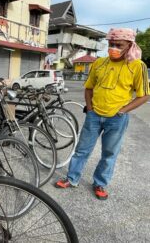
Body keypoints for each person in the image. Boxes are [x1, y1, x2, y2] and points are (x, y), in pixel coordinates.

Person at [55, 28, 149, 200]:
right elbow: (89, 88)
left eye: (118, 45)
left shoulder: (137, 66)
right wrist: (90, 109)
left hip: (117, 119)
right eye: (111, 44)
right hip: (94, 115)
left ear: (129, 45)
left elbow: (144, 95)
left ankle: (100, 183)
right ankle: (72, 178)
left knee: (109, 153)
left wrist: (122, 111)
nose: (113, 48)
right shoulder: (99, 63)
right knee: (82, 149)